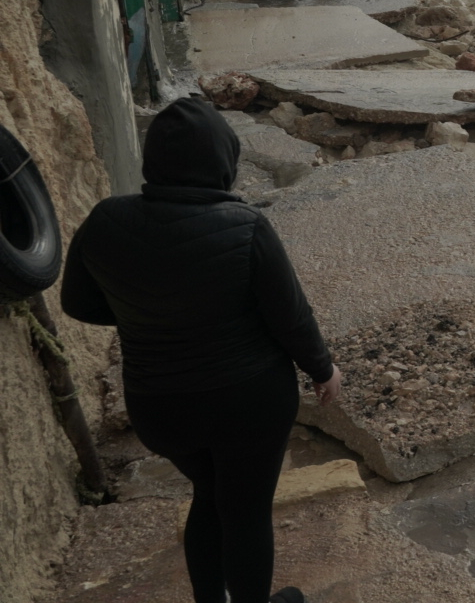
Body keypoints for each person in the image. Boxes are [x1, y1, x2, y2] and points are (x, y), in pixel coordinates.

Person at [61, 98, 338, 603]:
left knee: (209, 494)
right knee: (246, 510)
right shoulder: (246, 226)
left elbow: (78, 304)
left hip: (161, 408)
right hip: (248, 405)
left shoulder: (105, 220)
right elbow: (291, 318)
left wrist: (147, 316)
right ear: (224, 161)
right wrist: (323, 369)